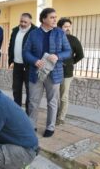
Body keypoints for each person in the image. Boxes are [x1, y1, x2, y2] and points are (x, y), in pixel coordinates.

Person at [23, 8, 71, 137]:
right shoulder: (33, 34)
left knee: (52, 101)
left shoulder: (60, 33)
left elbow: (68, 51)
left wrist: (57, 56)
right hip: (36, 72)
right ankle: (32, 126)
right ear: (43, 19)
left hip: (54, 73)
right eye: (52, 17)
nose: (55, 19)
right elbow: (25, 52)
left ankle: (50, 127)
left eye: (55, 17)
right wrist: (34, 61)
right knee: (33, 101)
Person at [56, 18, 84, 125]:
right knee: (54, 96)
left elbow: (80, 55)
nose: (67, 28)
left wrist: (71, 62)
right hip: (55, 71)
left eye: (69, 26)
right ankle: (55, 114)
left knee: (63, 96)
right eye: (65, 26)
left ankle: (61, 118)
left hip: (67, 73)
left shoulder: (73, 39)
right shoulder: (55, 38)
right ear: (59, 27)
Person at [8, 13, 36, 114]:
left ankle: (29, 113)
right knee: (16, 89)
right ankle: (17, 112)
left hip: (29, 66)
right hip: (17, 65)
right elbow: (11, 45)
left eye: (25, 22)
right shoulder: (15, 30)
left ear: (30, 22)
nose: (23, 24)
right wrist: (10, 60)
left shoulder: (35, 31)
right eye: (21, 21)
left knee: (30, 91)